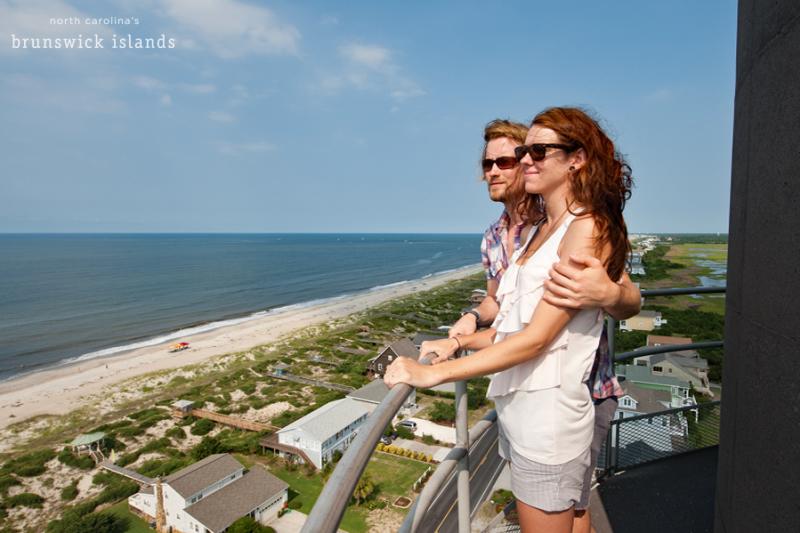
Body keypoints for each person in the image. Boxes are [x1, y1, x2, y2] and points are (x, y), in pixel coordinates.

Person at [386, 107, 634, 532]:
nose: (523, 162)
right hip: (524, 411)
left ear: (576, 159)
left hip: (549, 421)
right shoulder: (538, 232)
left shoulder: (585, 227)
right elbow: (506, 326)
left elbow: (537, 339)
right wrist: (459, 340)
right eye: (522, 152)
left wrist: (434, 374)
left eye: (538, 151)